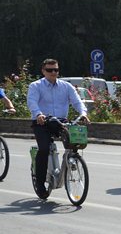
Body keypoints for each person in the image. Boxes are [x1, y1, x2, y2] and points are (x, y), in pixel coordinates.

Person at [27, 59, 90, 198]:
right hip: (42, 122)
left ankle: (71, 161)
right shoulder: (35, 86)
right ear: (43, 71)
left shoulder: (66, 86)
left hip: (60, 122)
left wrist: (83, 113)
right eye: (50, 70)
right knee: (43, 149)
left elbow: (77, 101)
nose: (53, 72)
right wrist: (38, 114)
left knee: (73, 144)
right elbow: (32, 101)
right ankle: (40, 182)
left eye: (56, 70)